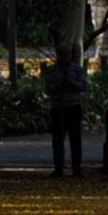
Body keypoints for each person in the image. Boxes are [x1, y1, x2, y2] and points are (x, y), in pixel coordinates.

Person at [44, 42, 84, 178]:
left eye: (66, 55)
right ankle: (58, 168)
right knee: (57, 140)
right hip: (58, 107)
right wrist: (59, 84)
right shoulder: (51, 71)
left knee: (75, 139)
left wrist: (71, 83)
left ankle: (77, 168)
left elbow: (83, 86)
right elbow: (48, 88)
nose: (63, 58)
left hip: (73, 106)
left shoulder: (77, 70)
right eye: (61, 55)